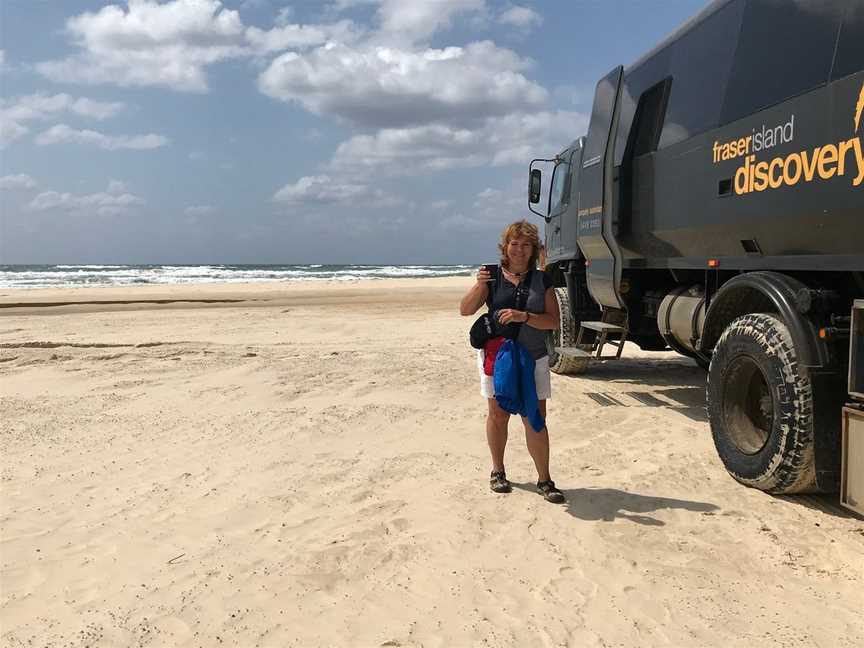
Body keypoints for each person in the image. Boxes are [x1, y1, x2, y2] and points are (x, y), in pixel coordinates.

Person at [459, 220, 566, 504]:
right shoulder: (491, 277)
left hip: (533, 357)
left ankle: (545, 479)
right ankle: (498, 471)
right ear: (505, 247)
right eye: (514, 243)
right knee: (498, 415)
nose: (519, 249)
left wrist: (525, 317)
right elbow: (465, 309)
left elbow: (553, 322)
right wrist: (479, 285)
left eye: (526, 244)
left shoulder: (542, 280)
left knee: (535, 417)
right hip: (498, 357)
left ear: (534, 250)